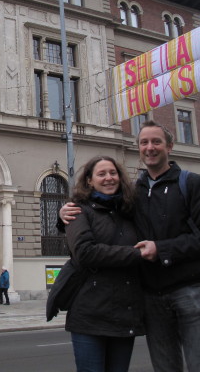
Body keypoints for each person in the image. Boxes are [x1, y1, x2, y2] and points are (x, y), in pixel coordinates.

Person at [60, 121, 200, 372]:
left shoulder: (191, 183)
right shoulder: (134, 193)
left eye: (156, 141)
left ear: (169, 146)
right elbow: (101, 217)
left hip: (191, 291)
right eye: (144, 143)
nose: (150, 147)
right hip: (151, 296)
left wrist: (161, 249)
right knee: (165, 367)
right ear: (138, 148)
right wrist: (64, 217)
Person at [62, 155, 146, 372]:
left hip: (124, 314)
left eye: (113, 173)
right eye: (101, 174)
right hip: (89, 315)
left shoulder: (130, 210)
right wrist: (136, 254)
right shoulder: (78, 209)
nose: (109, 178)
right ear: (89, 180)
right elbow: (85, 253)